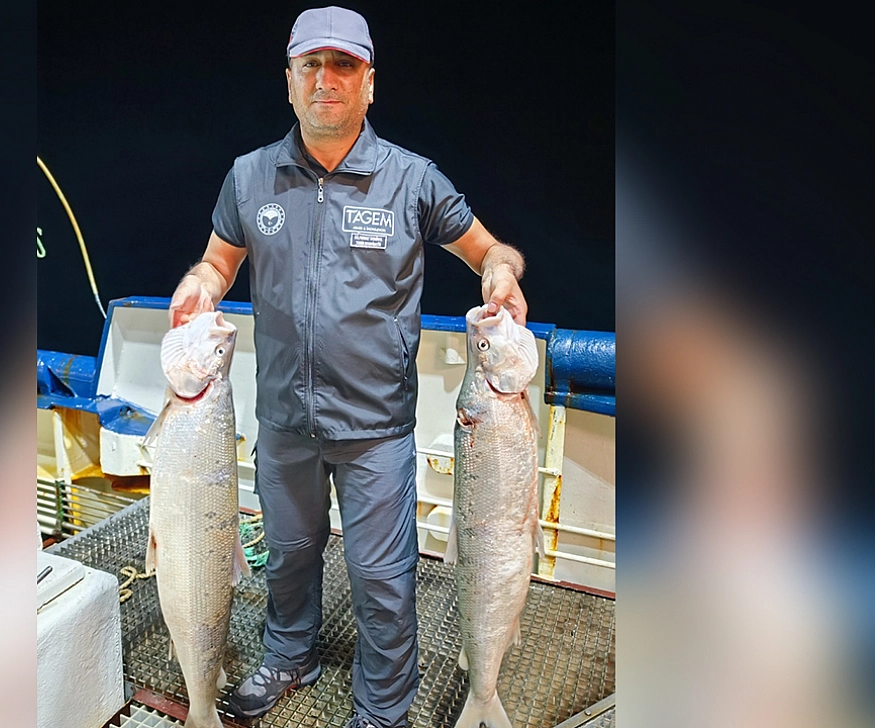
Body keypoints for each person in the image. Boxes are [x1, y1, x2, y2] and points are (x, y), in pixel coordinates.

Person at [166, 7, 528, 728]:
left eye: (342, 66)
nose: (325, 80)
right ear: (291, 82)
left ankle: (384, 707)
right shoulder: (248, 178)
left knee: (383, 580)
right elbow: (217, 261)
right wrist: (200, 284)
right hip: (284, 425)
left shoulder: (413, 181)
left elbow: (493, 251)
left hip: (377, 429)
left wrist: (500, 277)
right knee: (289, 556)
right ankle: (289, 654)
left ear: (369, 83)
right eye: (311, 66)